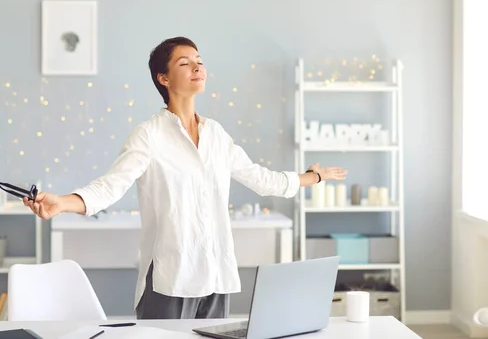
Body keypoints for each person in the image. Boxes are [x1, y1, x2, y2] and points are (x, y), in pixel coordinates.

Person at [22, 36, 348, 320]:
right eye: (185, 62)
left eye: (199, 61)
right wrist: (62, 203)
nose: (197, 67)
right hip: (170, 276)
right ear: (163, 78)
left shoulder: (217, 135)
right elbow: (111, 186)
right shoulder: (149, 135)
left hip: (216, 275)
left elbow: (263, 180)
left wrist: (313, 177)